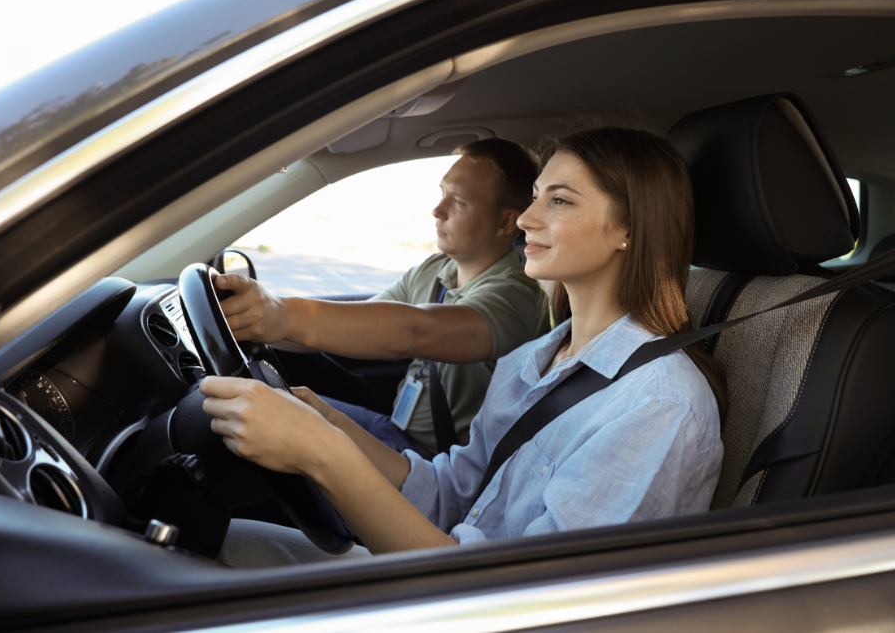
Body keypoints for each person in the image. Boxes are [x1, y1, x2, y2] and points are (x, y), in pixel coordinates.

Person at [203, 127, 725, 567]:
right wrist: (328, 424)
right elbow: (456, 492)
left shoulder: (658, 405)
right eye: (536, 195)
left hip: (470, 601)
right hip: (452, 574)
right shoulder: (535, 358)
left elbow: (523, 600)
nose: (525, 219)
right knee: (215, 543)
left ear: (629, 230)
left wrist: (322, 455)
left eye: (559, 200)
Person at [235, 138, 549, 457]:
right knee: (263, 402)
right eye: (442, 194)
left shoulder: (517, 295)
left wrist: (279, 313)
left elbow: (414, 331)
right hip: (394, 428)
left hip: (439, 462)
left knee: (261, 426)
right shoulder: (435, 270)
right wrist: (253, 323)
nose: (437, 210)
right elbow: (352, 327)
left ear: (506, 221)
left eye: (458, 201)